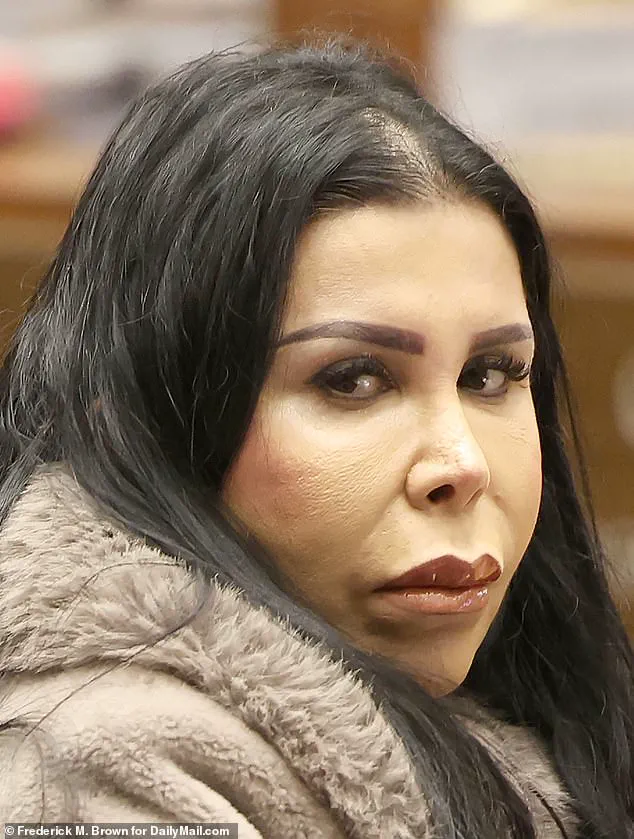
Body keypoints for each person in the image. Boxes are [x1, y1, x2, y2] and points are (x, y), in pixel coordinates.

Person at [0, 39, 631, 839]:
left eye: (490, 374)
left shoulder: (518, 720)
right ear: (137, 418)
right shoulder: (99, 780)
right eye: (355, 380)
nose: (462, 464)